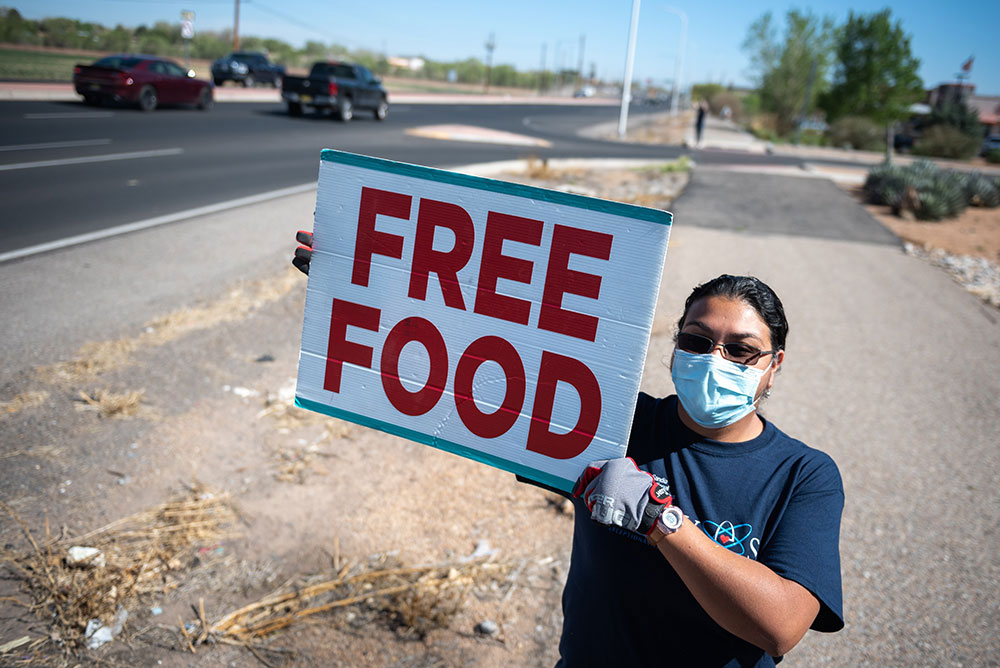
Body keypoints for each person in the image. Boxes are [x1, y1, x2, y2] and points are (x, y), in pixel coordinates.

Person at [293, 238, 844, 666]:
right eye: (697, 342)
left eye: (742, 352)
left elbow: (781, 626)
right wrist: (364, 285)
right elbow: (470, 376)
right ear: (675, 344)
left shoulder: (803, 475)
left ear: (774, 366)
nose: (714, 359)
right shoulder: (617, 420)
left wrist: (660, 520)